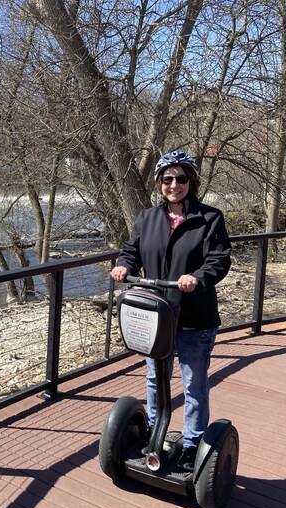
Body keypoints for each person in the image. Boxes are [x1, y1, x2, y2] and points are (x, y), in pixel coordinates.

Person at [110, 150, 231, 472]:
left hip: (194, 316)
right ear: (159, 183)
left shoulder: (209, 218)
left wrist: (198, 278)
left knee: (193, 384)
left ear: (191, 182)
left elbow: (218, 260)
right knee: (154, 377)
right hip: (157, 315)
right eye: (167, 179)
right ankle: (154, 433)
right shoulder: (147, 218)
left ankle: (192, 444)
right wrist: (124, 265)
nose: (173, 184)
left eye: (180, 178)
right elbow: (131, 250)